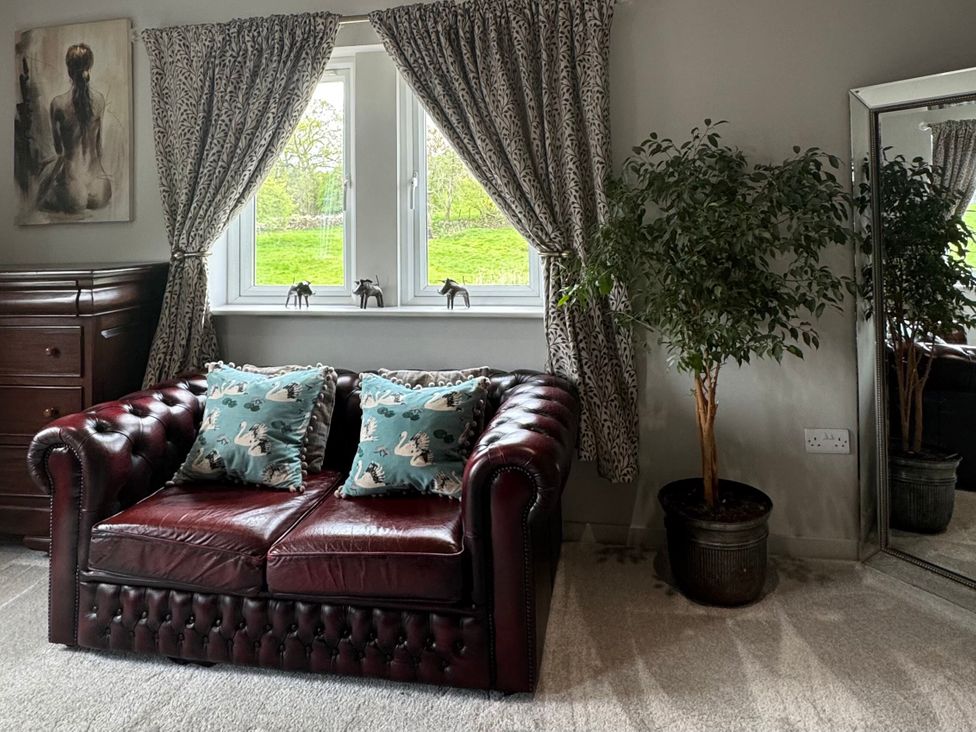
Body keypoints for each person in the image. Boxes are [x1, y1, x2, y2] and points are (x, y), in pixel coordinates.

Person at [37, 43, 112, 214]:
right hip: (99, 187)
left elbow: (59, 150)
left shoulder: (57, 104)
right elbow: (99, 147)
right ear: (89, 68)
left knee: (42, 188)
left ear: (69, 70)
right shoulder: (100, 100)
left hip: (73, 190)